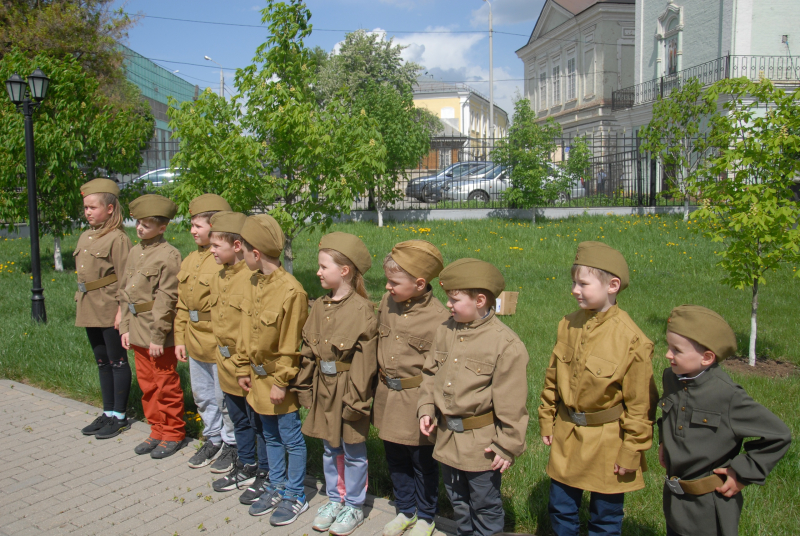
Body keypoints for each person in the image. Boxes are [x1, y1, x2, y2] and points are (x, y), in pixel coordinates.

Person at [538, 241, 658, 536]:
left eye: (583, 284)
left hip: (608, 442)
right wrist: (547, 418)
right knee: (560, 508)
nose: (574, 290)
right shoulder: (568, 324)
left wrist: (632, 450)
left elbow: (641, 404)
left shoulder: (631, 339)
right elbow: (552, 378)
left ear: (612, 285)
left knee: (605, 517)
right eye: (573, 283)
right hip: (567, 434)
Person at [418, 258, 529, 536]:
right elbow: (430, 373)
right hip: (446, 439)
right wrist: (426, 408)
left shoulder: (505, 344)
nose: (448, 305)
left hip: (483, 447)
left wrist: (507, 445)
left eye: (454, 299)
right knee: (458, 503)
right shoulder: (445, 330)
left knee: (484, 505)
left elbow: (512, 403)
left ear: (480, 300)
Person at [659, 305, 792, 536]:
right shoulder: (672, 378)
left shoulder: (728, 396)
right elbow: (668, 415)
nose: (668, 355)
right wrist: (664, 442)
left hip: (710, 507)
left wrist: (741, 473)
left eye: (676, 350)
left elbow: (779, 435)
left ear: (707, 358)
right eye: (668, 346)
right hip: (675, 501)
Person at [295, 232, 378, 536]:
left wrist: (356, 400)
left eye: (323, 266)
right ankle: (334, 499)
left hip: (348, 388)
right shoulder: (318, 306)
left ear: (344, 270)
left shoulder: (362, 310)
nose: (317, 272)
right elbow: (307, 351)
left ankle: (354, 504)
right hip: (324, 387)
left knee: (353, 449)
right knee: (330, 448)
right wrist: (304, 388)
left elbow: (365, 363)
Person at [236, 215, 310, 527]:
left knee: (290, 437)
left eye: (244, 251)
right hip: (257, 379)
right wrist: (243, 366)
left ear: (256, 254)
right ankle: (277, 485)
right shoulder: (252, 282)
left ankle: (296, 493)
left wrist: (281, 382)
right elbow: (245, 331)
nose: (241, 256)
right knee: (270, 435)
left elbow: (292, 345)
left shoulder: (291, 291)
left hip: (280, 382)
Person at [373, 240, 450, 536]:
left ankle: (427, 516)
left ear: (419, 284)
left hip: (417, 401)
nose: (388, 286)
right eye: (388, 281)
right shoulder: (386, 302)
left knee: (422, 462)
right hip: (387, 397)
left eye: (394, 282)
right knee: (395, 458)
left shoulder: (440, 318)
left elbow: (440, 369)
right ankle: (405, 510)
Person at [206, 211, 270, 504]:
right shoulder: (219, 276)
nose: (211, 250)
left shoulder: (251, 278)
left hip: (246, 365)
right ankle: (246, 464)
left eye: (215, 245)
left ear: (236, 246)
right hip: (225, 363)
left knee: (257, 423)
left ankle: (265, 471)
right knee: (238, 419)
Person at [174, 194, 238, 473]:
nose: (192, 231)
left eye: (197, 225)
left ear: (215, 226)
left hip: (218, 341)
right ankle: (212, 438)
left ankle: (232, 443)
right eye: (191, 225)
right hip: (195, 339)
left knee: (224, 399)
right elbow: (182, 304)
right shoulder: (190, 260)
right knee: (202, 396)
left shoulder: (224, 260)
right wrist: (179, 338)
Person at [119, 194, 185, 459]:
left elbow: (167, 299)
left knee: (165, 384)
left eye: (146, 225)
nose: (140, 228)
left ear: (162, 227)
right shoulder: (135, 251)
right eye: (138, 223)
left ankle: (173, 433)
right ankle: (156, 430)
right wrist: (125, 326)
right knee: (147, 385)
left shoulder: (169, 256)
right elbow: (125, 292)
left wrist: (158, 337)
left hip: (158, 331)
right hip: (137, 327)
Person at [75, 178, 133, 439]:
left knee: (117, 361)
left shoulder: (118, 238)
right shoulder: (86, 235)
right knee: (102, 362)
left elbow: (126, 278)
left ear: (110, 209)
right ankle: (108, 412)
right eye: (85, 207)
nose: (87, 212)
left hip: (109, 307)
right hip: (89, 306)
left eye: (93, 207)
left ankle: (120, 416)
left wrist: (122, 310)